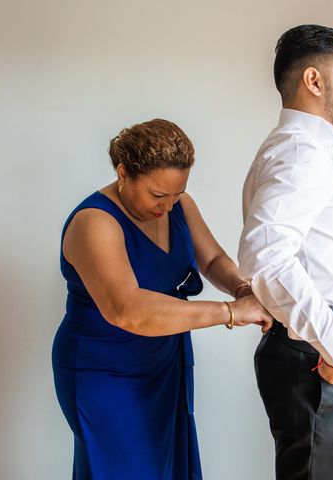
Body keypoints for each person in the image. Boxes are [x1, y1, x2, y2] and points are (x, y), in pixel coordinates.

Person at [52, 118, 273, 480]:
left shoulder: (179, 206)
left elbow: (213, 260)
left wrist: (242, 288)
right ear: (123, 173)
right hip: (103, 370)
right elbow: (128, 310)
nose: (168, 206)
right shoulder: (95, 222)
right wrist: (231, 312)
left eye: (178, 193)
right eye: (158, 195)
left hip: (163, 364)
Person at [237, 25, 333, 480]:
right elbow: (265, 258)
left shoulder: (296, 149)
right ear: (314, 82)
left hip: (310, 342)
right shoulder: (300, 154)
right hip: (316, 349)